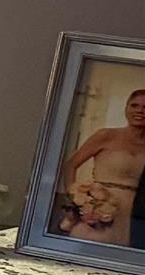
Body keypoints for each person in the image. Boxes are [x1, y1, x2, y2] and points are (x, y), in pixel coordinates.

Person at [58, 84, 145, 245]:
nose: (140, 111)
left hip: (135, 211)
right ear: (126, 108)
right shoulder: (106, 135)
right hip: (100, 203)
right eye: (134, 105)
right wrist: (76, 198)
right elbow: (70, 165)